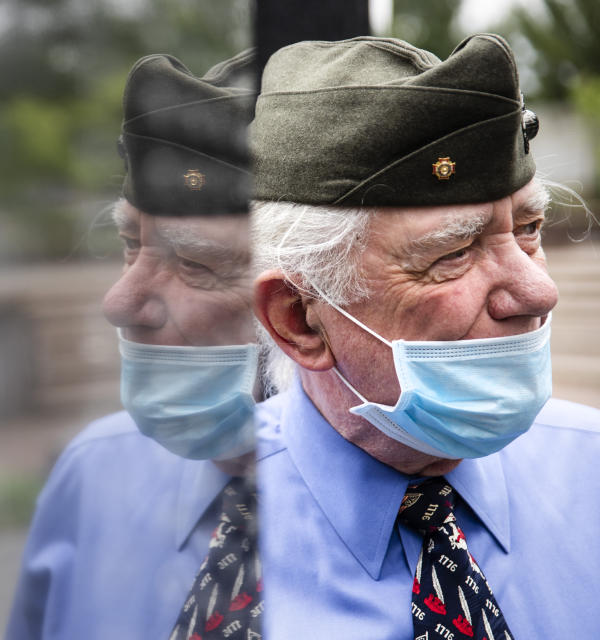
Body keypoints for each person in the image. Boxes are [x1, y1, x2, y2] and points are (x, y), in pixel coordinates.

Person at [248, 34, 600, 638]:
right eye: (454, 252)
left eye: (528, 228)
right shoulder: (175, 538)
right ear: (299, 319)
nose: (539, 293)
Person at [5, 49, 263, 639]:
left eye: (196, 261)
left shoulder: (458, 521)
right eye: (129, 242)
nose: (118, 302)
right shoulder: (94, 472)